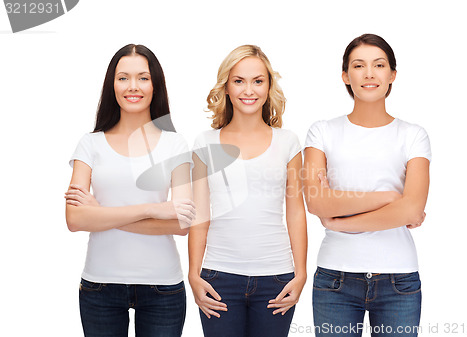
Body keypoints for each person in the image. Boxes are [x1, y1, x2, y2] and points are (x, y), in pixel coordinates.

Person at [304, 34, 431, 337]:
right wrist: (389, 198)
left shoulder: (413, 135)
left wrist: (340, 221)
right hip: (335, 278)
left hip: (398, 279)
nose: (369, 74)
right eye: (359, 66)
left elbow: (413, 207)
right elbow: (317, 202)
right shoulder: (322, 132)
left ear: (392, 75)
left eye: (379, 65)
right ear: (346, 76)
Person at [65, 44, 194, 337]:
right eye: (123, 77)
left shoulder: (175, 144)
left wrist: (100, 213)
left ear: (155, 84)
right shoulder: (90, 143)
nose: (132, 86)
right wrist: (152, 209)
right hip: (100, 285)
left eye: (143, 78)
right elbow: (74, 220)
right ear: (112, 84)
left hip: (162, 287)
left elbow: (182, 223)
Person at [188, 45, 307, 337]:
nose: (248, 90)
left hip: (276, 278)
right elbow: (199, 215)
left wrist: (301, 274)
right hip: (219, 278)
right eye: (239, 81)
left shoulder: (288, 142)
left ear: (268, 86)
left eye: (258, 81)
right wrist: (193, 274)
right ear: (226, 87)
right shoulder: (205, 143)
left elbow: (295, 212)